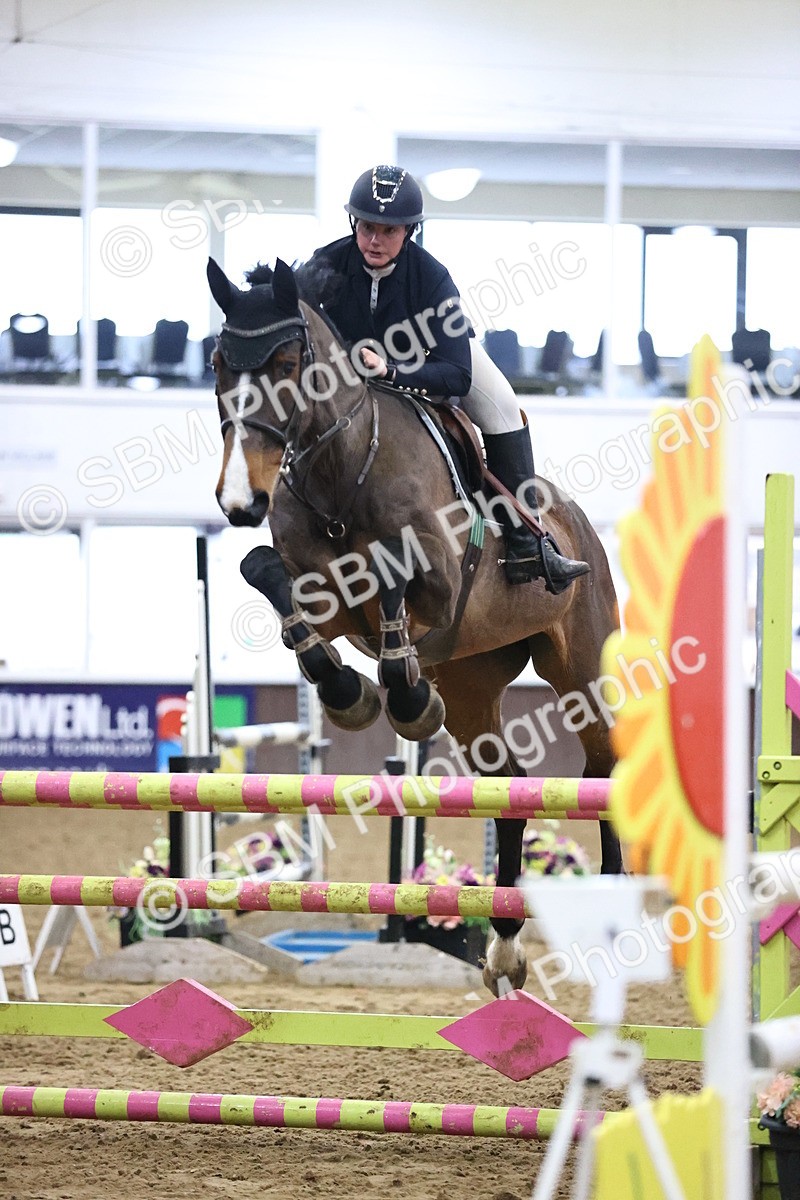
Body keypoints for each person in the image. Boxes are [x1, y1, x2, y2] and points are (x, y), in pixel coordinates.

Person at [306, 164, 589, 592]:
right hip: (351, 373)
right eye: (366, 227)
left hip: (428, 360)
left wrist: (393, 372)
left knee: (503, 406)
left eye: (388, 230)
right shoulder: (326, 263)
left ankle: (525, 540)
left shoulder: (432, 277)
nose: (374, 240)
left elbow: (455, 375)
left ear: (410, 231)